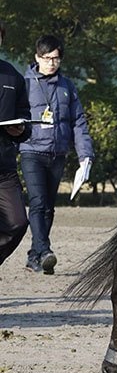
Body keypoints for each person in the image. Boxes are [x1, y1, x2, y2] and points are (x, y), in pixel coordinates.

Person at [20, 35, 94, 275]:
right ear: (37, 57)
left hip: (57, 153)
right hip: (31, 151)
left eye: (56, 58)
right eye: (47, 58)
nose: (52, 63)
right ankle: (45, 250)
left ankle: (35, 256)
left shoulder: (67, 86)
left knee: (49, 207)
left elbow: (78, 122)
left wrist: (85, 155)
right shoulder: (25, 84)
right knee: (38, 203)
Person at [0, 21, 31, 268]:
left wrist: (20, 129)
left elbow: (24, 117)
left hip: (4, 167)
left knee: (18, 222)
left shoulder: (13, 76)